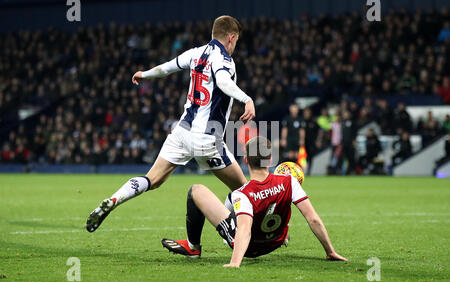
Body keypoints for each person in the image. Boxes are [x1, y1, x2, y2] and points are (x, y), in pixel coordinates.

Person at [86, 15, 256, 232]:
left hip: (182, 132)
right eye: (236, 41)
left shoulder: (195, 53)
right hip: (207, 138)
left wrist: (144, 74)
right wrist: (247, 99)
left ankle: (114, 199)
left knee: (152, 179)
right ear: (231, 37)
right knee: (243, 189)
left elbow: (166, 68)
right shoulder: (224, 60)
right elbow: (222, 80)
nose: (235, 46)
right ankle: (231, 232)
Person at [161, 136, 347, 267]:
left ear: (246, 160)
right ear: (270, 159)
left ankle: (193, 247)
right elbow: (312, 218)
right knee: (257, 204)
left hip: (250, 248)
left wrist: (235, 263)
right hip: (275, 241)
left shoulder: (243, 193)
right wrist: (330, 251)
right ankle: (284, 237)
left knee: (197, 190)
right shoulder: (289, 180)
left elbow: (244, 230)